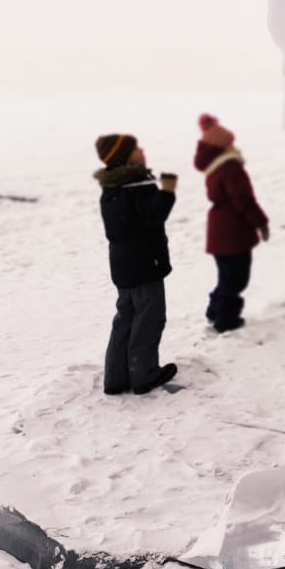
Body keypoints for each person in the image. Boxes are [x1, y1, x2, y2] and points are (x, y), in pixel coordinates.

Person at [94, 133, 178, 395]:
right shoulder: (139, 185)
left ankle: (115, 378)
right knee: (149, 319)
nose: (142, 150)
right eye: (135, 148)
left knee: (126, 318)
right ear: (125, 156)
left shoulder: (111, 188)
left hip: (122, 266)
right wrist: (167, 191)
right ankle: (143, 375)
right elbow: (153, 216)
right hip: (145, 265)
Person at [193, 112, 269, 332]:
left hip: (219, 228)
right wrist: (260, 222)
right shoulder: (230, 167)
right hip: (233, 230)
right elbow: (243, 199)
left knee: (227, 275)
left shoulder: (216, 166)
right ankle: (226, 320)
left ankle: (215, 310)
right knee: (236, 278)